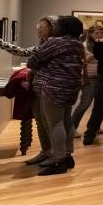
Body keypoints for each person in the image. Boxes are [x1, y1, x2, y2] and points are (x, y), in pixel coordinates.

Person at [0, 16, 54, 164]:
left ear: (51, 29)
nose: (38, 28)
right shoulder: (43, 43)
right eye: (38, 25)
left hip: (46, 89)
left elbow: (21, 52)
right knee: (41, 123)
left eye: (42, 26)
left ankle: (56, 154)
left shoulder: (50, 45)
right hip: (37, 87)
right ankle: (47, 152)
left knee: (48, 123)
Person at [26, 15, 85, 176]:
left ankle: (58, 161)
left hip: (53, 88)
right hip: (70, 88)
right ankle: (67, 156)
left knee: (55, 124)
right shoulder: (78, 44)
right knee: (66, 122)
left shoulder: (56, 42)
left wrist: (43, 64)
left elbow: (32, 62)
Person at [71, 25, 103, 136]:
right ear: (90, 34)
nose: (100, 35)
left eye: (101, 33)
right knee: (85, 104)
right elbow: (79, 62)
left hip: (101, 77)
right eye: (97, 33)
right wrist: (81, 77)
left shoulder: (102, 45)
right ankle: (71, 128)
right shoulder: (84, 46)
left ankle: (95, 126)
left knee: (99, 105)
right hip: (88, 78)